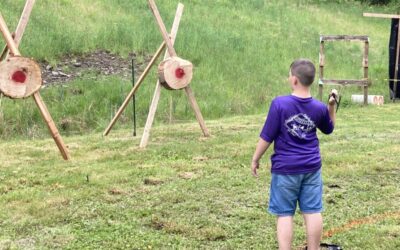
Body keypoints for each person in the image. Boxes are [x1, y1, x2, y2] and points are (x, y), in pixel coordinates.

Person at [251, 59, 337, 250]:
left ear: (294, 80)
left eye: (290, 75)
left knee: (284, 214)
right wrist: (331, 106)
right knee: (313, 211)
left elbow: (267, 136)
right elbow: (329, 128)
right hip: (311, 169)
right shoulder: (318, 107)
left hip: (285, 170)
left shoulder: (279, 104)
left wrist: (255, 158)